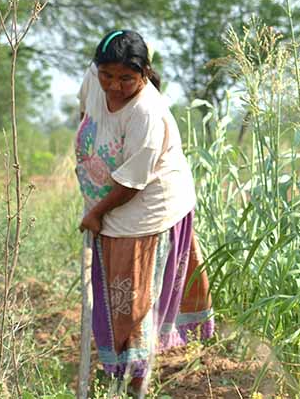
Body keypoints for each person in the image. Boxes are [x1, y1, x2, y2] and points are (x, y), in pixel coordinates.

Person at [76, 29, 213, 392]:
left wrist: (95, 212)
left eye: (126, 78)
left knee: (134, 301)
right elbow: (86, 112)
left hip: (148, 210)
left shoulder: (147, 113)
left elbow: (132, 182)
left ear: (143, 73)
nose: (114, 86)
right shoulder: (95, 80)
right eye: (107, 75)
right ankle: (116, 374)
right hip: (111, 209)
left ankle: (135, 382)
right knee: (116, 298)